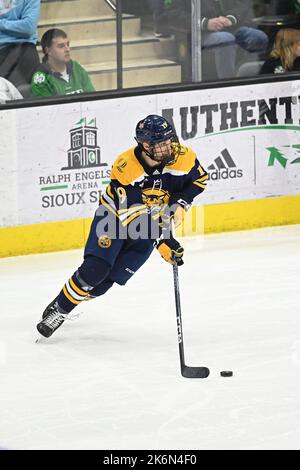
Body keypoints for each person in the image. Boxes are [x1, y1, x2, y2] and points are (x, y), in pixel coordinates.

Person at [36, 114, 208, 338]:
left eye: (170, 141)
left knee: (104, 284)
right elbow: (133, 216)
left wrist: (180, 203)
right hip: (114, 217)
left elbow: (199, 180)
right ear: (146, 146)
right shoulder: (126, 167)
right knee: (95, 271)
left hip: (152, 221)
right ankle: (60, 309)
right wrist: (163, 240)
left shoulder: (183, 157)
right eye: (162, 144)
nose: (170, 147)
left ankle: (68, 298)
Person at [201, 0, 269, 79]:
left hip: (230, 27)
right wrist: (205, 23)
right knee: (225, 39)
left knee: (259, 37)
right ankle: (228, 83)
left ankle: (250, 76)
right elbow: (183, 16)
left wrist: (230, 18)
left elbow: (242, 3)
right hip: (201, 33)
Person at [31, 28, 95, 97]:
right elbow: (49, 107)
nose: (67, 49)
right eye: (61, 46)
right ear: (48, 51)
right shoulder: (41, 78)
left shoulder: (76, 67)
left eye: (68, 44)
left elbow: (92, 98)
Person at [0, 0, 40, 87]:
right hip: (2, 50)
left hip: (25, 48)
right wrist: (17, 27)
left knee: (25, 92)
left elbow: (28, 27)